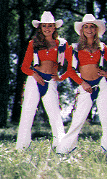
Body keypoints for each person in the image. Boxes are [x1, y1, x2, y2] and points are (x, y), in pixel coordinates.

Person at [56, 14, 107, 155]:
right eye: (86, 27)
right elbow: (70, 71)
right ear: (82, 30)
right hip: (85, 86)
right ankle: (65, 149)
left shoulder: (102, 47)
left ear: (96, 30)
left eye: (92, 27)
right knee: (78, 119)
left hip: (101, 85)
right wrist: (82, 83)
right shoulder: (74, 48)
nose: (89, 29)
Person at [16, 11, 69, 150]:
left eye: (50, 26)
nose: (47, 28)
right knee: (27, 113)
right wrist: (35, 75)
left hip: (50, 81)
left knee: (55, 114)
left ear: (54, 27)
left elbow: (72, 64)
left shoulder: (62, 44)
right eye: (44, 26)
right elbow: (24, 67)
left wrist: (61, 77)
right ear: (40, 28)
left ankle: (61, 147)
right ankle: (21, 147)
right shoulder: (33, 44)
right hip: (34, 80)